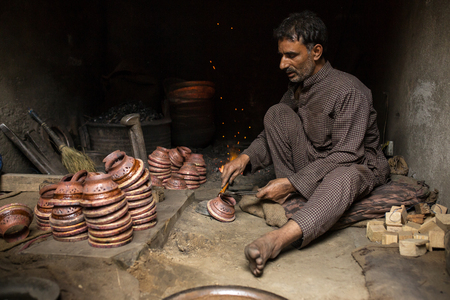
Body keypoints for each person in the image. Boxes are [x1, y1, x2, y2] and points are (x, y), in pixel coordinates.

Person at [220, 11, 389, 277]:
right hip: (314, 160)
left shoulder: (349, 91)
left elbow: (347, 154)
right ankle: (297, 193)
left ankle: (277, 240)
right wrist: (244, 158)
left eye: (291, 55)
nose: (282, 64)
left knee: (345, 177)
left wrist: (290, 182)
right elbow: (273, 131)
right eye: (281, 55)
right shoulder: (297, 87)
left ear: (316, 51)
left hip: (353, 164)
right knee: (276, 113)